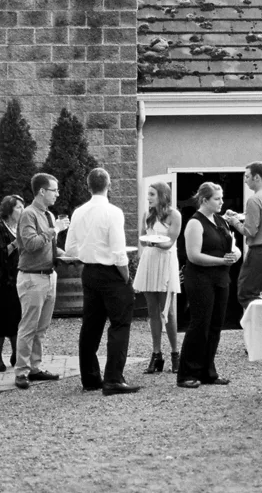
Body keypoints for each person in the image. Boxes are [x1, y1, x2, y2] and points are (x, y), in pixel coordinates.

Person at [62, 167, 140, 396]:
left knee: (91, 325)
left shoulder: (78, 212)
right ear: (109, 185)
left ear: (88, 186)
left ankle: (90, 378)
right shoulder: (113, 212)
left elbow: (70, 249)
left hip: (89, 272)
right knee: (120, 324)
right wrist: (126, 276)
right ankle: (113, 379)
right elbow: (118, 251)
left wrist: (89, 252)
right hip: (111, 273)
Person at [177, 181, 240, 388]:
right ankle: (187, 373)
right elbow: (193, 256)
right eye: (217, 199)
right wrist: (222, 261)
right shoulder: (195, 223)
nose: (221, 202)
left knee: (215, 325)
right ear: (204, 200)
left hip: (221, 278)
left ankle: (207, 371)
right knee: (200, 324)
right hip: (200, 279)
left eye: (221, 198)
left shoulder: (220, 220)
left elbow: (233, 246)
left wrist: (235, 254)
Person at [14, 172, 70, 391]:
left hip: (48, 275)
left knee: (41, 327)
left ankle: (34, 367)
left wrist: (66, 254)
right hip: (32, 277)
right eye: (54, 190)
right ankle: (21, 371)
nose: (57, 194)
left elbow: (48, 246)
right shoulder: (28, 214)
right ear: (42, 191)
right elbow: (31, 244)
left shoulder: (48, 215)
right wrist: (55, 230)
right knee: (28, 326)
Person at [133, 180, 182, 375]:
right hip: (150, 260)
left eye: (152, 194)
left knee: (168, 311)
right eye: (148, 194)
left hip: (166, 261)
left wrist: (154, 243)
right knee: (152, 310)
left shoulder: (174, 215)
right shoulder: (147, 215)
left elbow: (170, 242)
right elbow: (142, 238)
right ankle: (156, 354)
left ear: (163, 195)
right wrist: (148, 242)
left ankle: (175, 354)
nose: (148, 198)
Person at [226, 161, 262, 311]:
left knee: (246, 294)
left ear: (256, 177)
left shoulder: (254, 199)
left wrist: (233, 221)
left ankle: (254, 322)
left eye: (247, 176)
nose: (245, 180)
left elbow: (250, 231)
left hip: (259, 251)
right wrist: (242, 216)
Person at [0, 194, 24, 372]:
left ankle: (17, 353)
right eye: (18, 207)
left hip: (18, 278)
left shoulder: (21, 227)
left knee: (17, 317)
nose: (22, 210)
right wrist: (16, 243)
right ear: (9, 210)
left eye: (23, 207)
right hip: (1, 281)